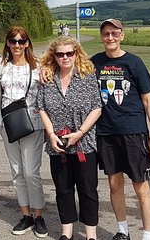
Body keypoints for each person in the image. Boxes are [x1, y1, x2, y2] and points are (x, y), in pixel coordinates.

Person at [91, 19, 150, 240]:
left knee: (140, 186)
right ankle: (123, 230)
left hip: (133, 131)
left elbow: (147, 99)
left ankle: (148, 235)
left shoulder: (134, 63)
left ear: (121, 35)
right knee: (114, 184)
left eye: (114, 33)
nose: (110, 38)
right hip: (106, 132)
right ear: (101, 37)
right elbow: (65, 68)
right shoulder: (94, 63)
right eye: (106, 34)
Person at [36, 35, 102, 240]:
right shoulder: (47, 77)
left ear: (76, 54)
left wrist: (80, 132)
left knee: (88, 189)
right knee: (63, 189)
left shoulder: (87, 75)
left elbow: (97, 107)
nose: (65, 58)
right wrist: (51, 135)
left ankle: (91, 234)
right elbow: (41, 108)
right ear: (54, 56)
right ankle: (67, 231)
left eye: (69, 53)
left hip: (84, 143)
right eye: (60, 54)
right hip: (58, 144)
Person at [0, 27, 48, 237]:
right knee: (16, 172)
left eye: (21, 41)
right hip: (8, 124)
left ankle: (39, 216)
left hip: (33, 124)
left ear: (27, 43)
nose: (17, 45)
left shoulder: (38, 66)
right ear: (7, 43)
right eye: (13, 41)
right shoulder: (1, 65)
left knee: (31, 172)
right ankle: (26, 215)